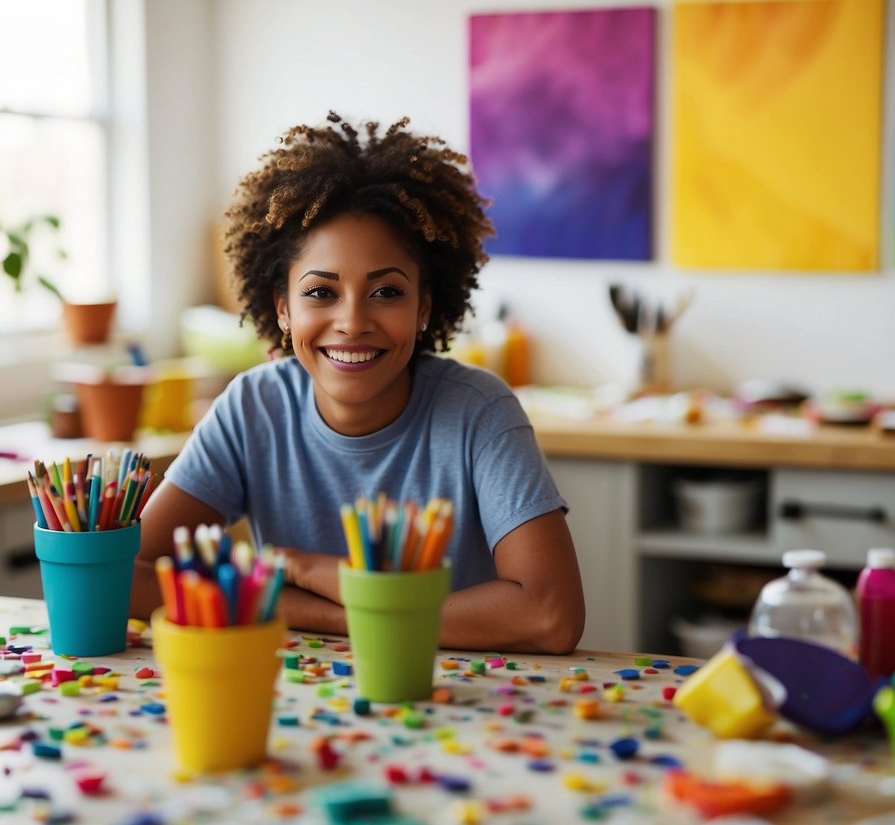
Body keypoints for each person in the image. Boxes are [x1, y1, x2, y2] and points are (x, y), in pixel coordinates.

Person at [132, 112, 584, 654]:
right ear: (282, 308)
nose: (352, 321)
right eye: (321, 292)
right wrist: (340, 609)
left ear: (425, 307)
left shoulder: (480, 411)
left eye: (387, 292)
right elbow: (129, 575)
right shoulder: (253, 407)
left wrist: (323, 585)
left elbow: (549, 615)